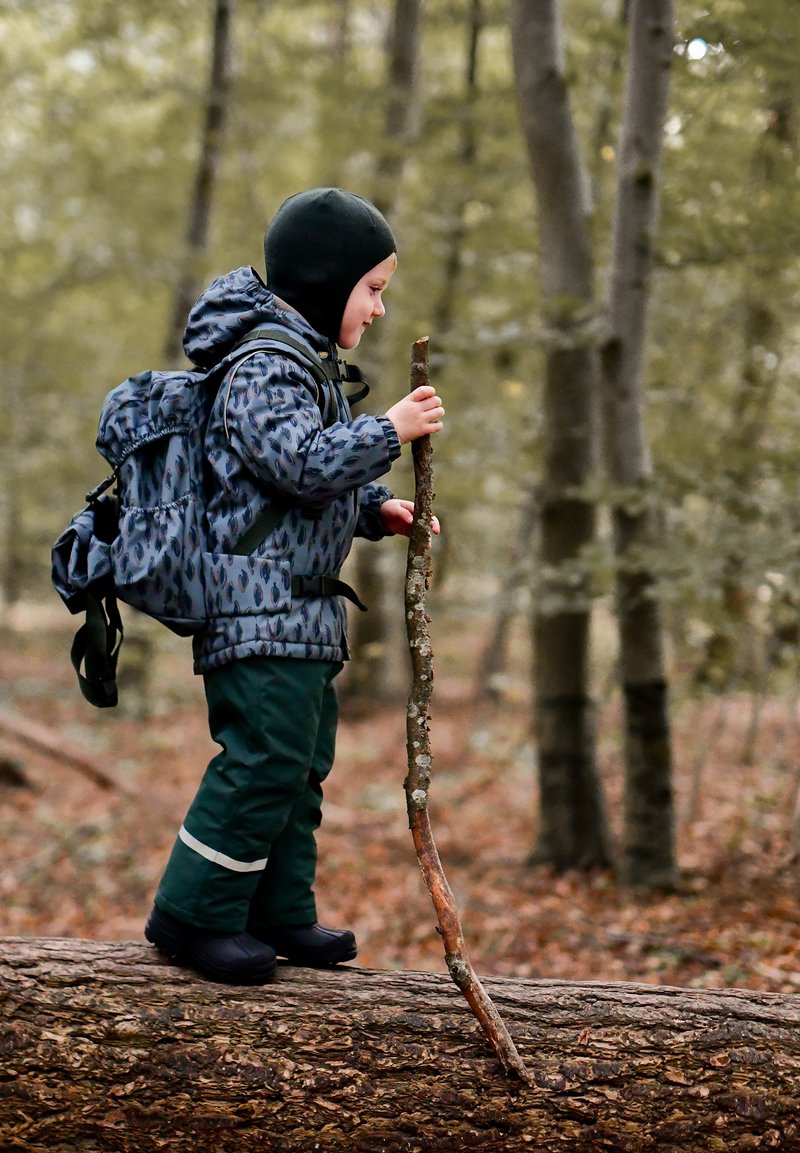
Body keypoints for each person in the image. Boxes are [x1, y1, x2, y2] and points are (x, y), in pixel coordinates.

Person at [144, 188, 444, 985]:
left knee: (302, 766)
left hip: (299, 610)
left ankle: (279, 908)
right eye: (372, 288)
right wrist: (389, 431)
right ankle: (193, 912)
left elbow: (287, 494)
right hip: (254, 609)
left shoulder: (302, 363)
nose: (380, 308)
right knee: (262, 759)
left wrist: (376, 511)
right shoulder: (264, 364)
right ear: (324, 279)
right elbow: (300, 464)